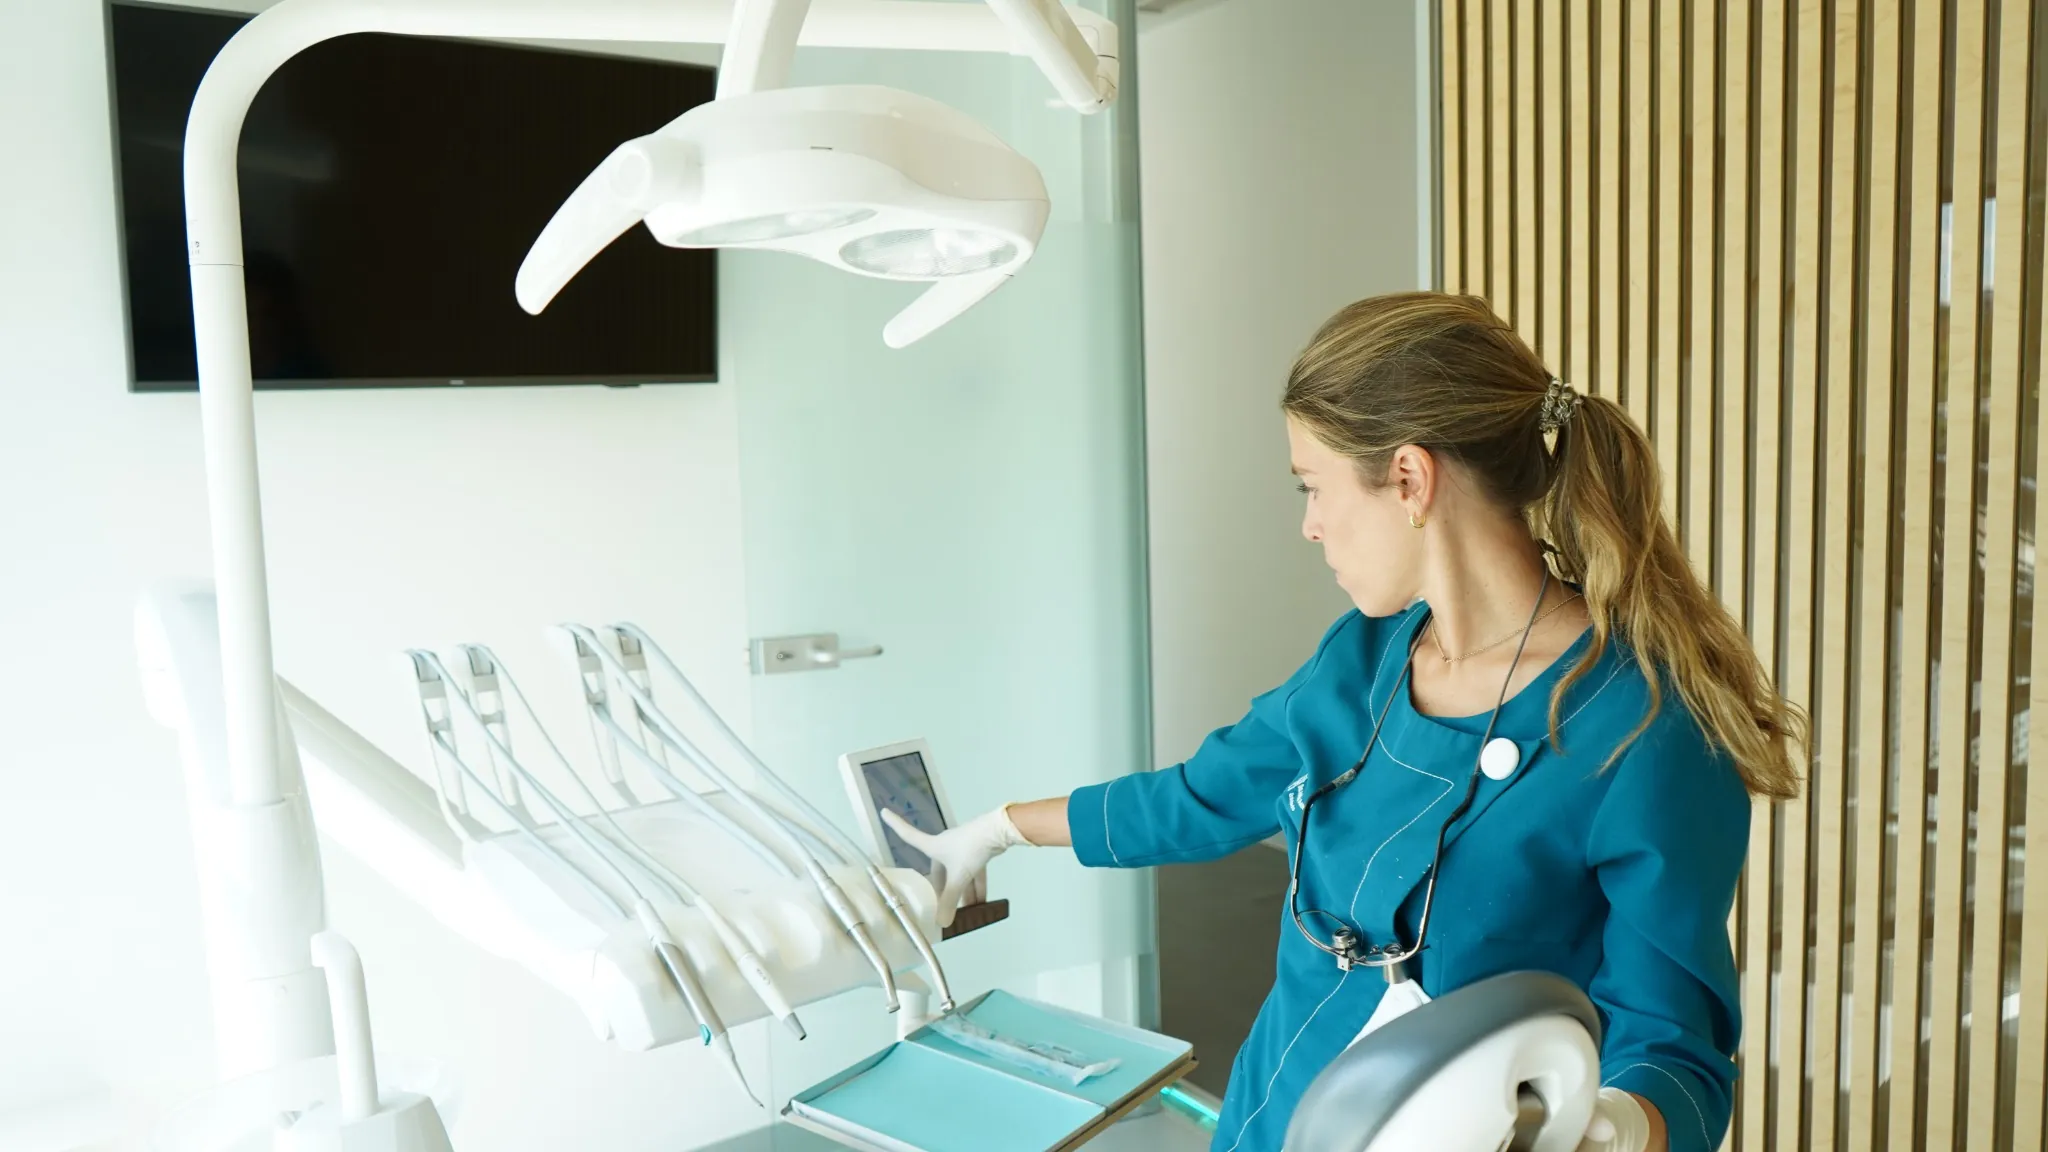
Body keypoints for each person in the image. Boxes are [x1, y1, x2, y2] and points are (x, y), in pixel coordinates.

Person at [885, 292, 1805, 1152]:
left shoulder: (1644, 728)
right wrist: (999, 831)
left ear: (1408, 479)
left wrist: (1597, 1127)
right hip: (1269, 1117)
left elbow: (1674, 1045)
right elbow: (1203, 797)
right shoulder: (1363, 659)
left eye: (1313, 488)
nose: (1310, 527)